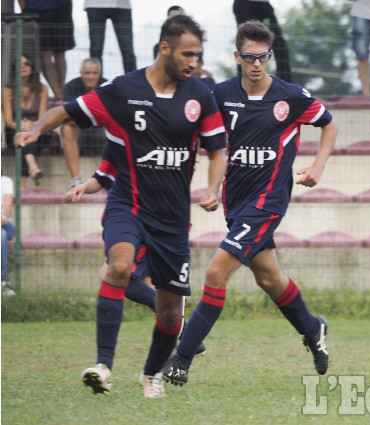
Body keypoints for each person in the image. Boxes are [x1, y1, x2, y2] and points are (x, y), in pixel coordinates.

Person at [15, 14, 227, 399]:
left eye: (198, 55)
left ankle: (150, 375)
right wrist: (34, 130)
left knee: (170, 313)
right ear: (165, 49)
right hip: (127, 204)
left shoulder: (201, 95)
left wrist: (214, 187)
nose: (194, 62)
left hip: (173, 219)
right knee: (119, 266)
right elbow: (66, 110)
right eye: (188, 54)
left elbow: (218, 150)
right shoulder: (123, 90)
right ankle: (103, 365)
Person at [162, 20, 338, 387]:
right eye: (249, 57)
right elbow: (210, 143)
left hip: (268, 200)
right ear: (237, 57)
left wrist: (318, 165)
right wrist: (211, 187)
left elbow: (329, 123)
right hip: (236, 200)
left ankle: (180, 360)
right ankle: (312, 328)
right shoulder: (221, 94)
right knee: (269, 278)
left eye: (263, 57)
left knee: (214, 273)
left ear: (269, 57)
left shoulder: (290, 96)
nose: (257, 64)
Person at [65, 154, 208, 358]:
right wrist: (83, 188)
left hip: (151, 221)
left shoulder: (148, 137)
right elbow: (102, 175)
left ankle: (185, 333)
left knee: (111, 274)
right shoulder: (124, 139)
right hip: (144, 220)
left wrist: (188, 154)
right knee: (146, 285)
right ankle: (186, 338)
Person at [2, 54, 48, 188]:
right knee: (22, 136)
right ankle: (32, 167)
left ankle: (24, 183)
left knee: (26, 137)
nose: (23, 66)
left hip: (37, 131)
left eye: (27, 63)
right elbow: (8, 121)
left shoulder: (42, 89)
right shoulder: (7, 90)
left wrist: (32, 125)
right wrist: (21, 125)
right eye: (19, 64)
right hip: (14, 131)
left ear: (32, 67)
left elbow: (43, 117)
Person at [61, 58, 108, 190]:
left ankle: (108, 177)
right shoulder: (71, 86)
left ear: (100, 73)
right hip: (79, 130)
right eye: (87, 73)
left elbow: (114, 113)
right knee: (67, 128)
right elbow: (66, 115)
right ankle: (75, 179)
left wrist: (81, 114)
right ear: (81, 73)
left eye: (94, 73)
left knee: (116, 129)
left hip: (101, 131)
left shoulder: (107, 86)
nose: (90, 76)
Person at [19, 0, 75, 100]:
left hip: (62, 7)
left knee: (60, 52)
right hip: (36, 9)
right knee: (45, 53)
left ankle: (62, 93)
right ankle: (58, 95)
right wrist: (24, 8)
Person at [233, 0, 292, 82]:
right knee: (247, 45)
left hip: (264, 4)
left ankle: (285, 86)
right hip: (245, 4)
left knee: (280, 46)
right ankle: (242, 85)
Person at [84, 0, 137, 75]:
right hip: (94, 4)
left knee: (128, 50)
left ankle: (132, 83)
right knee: (96, 50)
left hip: (122, 5)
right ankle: (97, 85)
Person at [1, 171, 16, 296]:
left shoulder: (6, 181)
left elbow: (6, 212)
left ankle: (3, 281)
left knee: (2, 233)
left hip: (5, 223)